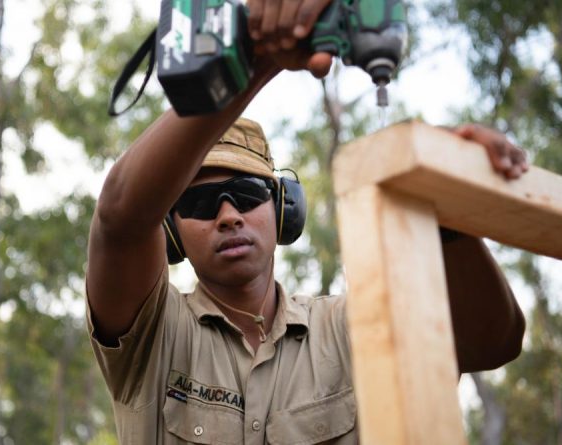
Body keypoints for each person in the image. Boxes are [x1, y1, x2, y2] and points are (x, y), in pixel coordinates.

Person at [85, 1, 528, 442]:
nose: (228, 215)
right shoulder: (154, 336)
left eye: (245, 194)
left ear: (282, 208)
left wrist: (443, 203)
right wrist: (255, 57)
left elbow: (490, 343)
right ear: (170, 232)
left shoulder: (349, 329)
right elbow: (120, 218)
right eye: (200, 204)